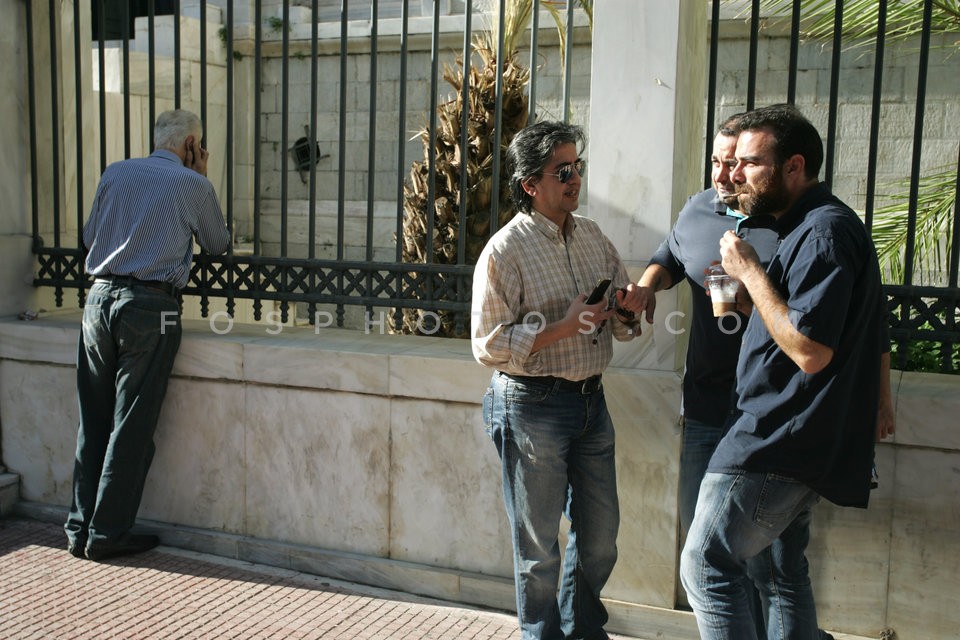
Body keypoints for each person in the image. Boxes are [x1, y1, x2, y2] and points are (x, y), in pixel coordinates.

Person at [679, 104, 889, 640]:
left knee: (706, 566)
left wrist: (749, 269)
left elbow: (811, 351)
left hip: (777, 436)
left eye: (750, 163)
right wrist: (750, 299)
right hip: (794, 434)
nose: (735, 174)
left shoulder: (823, 233)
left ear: (793, 167)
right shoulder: (806, 227)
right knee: (780, 571)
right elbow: (803, 322)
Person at [471, 120, 640, 640]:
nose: (575, 179)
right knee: (539, 549)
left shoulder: (592, 235)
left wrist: (627, 309)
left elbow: (621, 322)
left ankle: (582, 630)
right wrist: (563, 326)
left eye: (577, 167)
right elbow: (487, 344)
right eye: (562, 171)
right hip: (531, 405)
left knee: (600, 540)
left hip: (592, 403)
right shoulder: (505, 250)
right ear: (530, 184)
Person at [64, 109, 231, 562]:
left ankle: (78, 527)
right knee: (131, 424)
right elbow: (218, 243)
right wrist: (200, 177)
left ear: (157, 138)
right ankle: (107, 533)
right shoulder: (193, 184)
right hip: (151, 306)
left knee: (92, 419)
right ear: (192, 144)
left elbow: (89, 237)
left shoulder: (115, 173)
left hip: (98, 300)